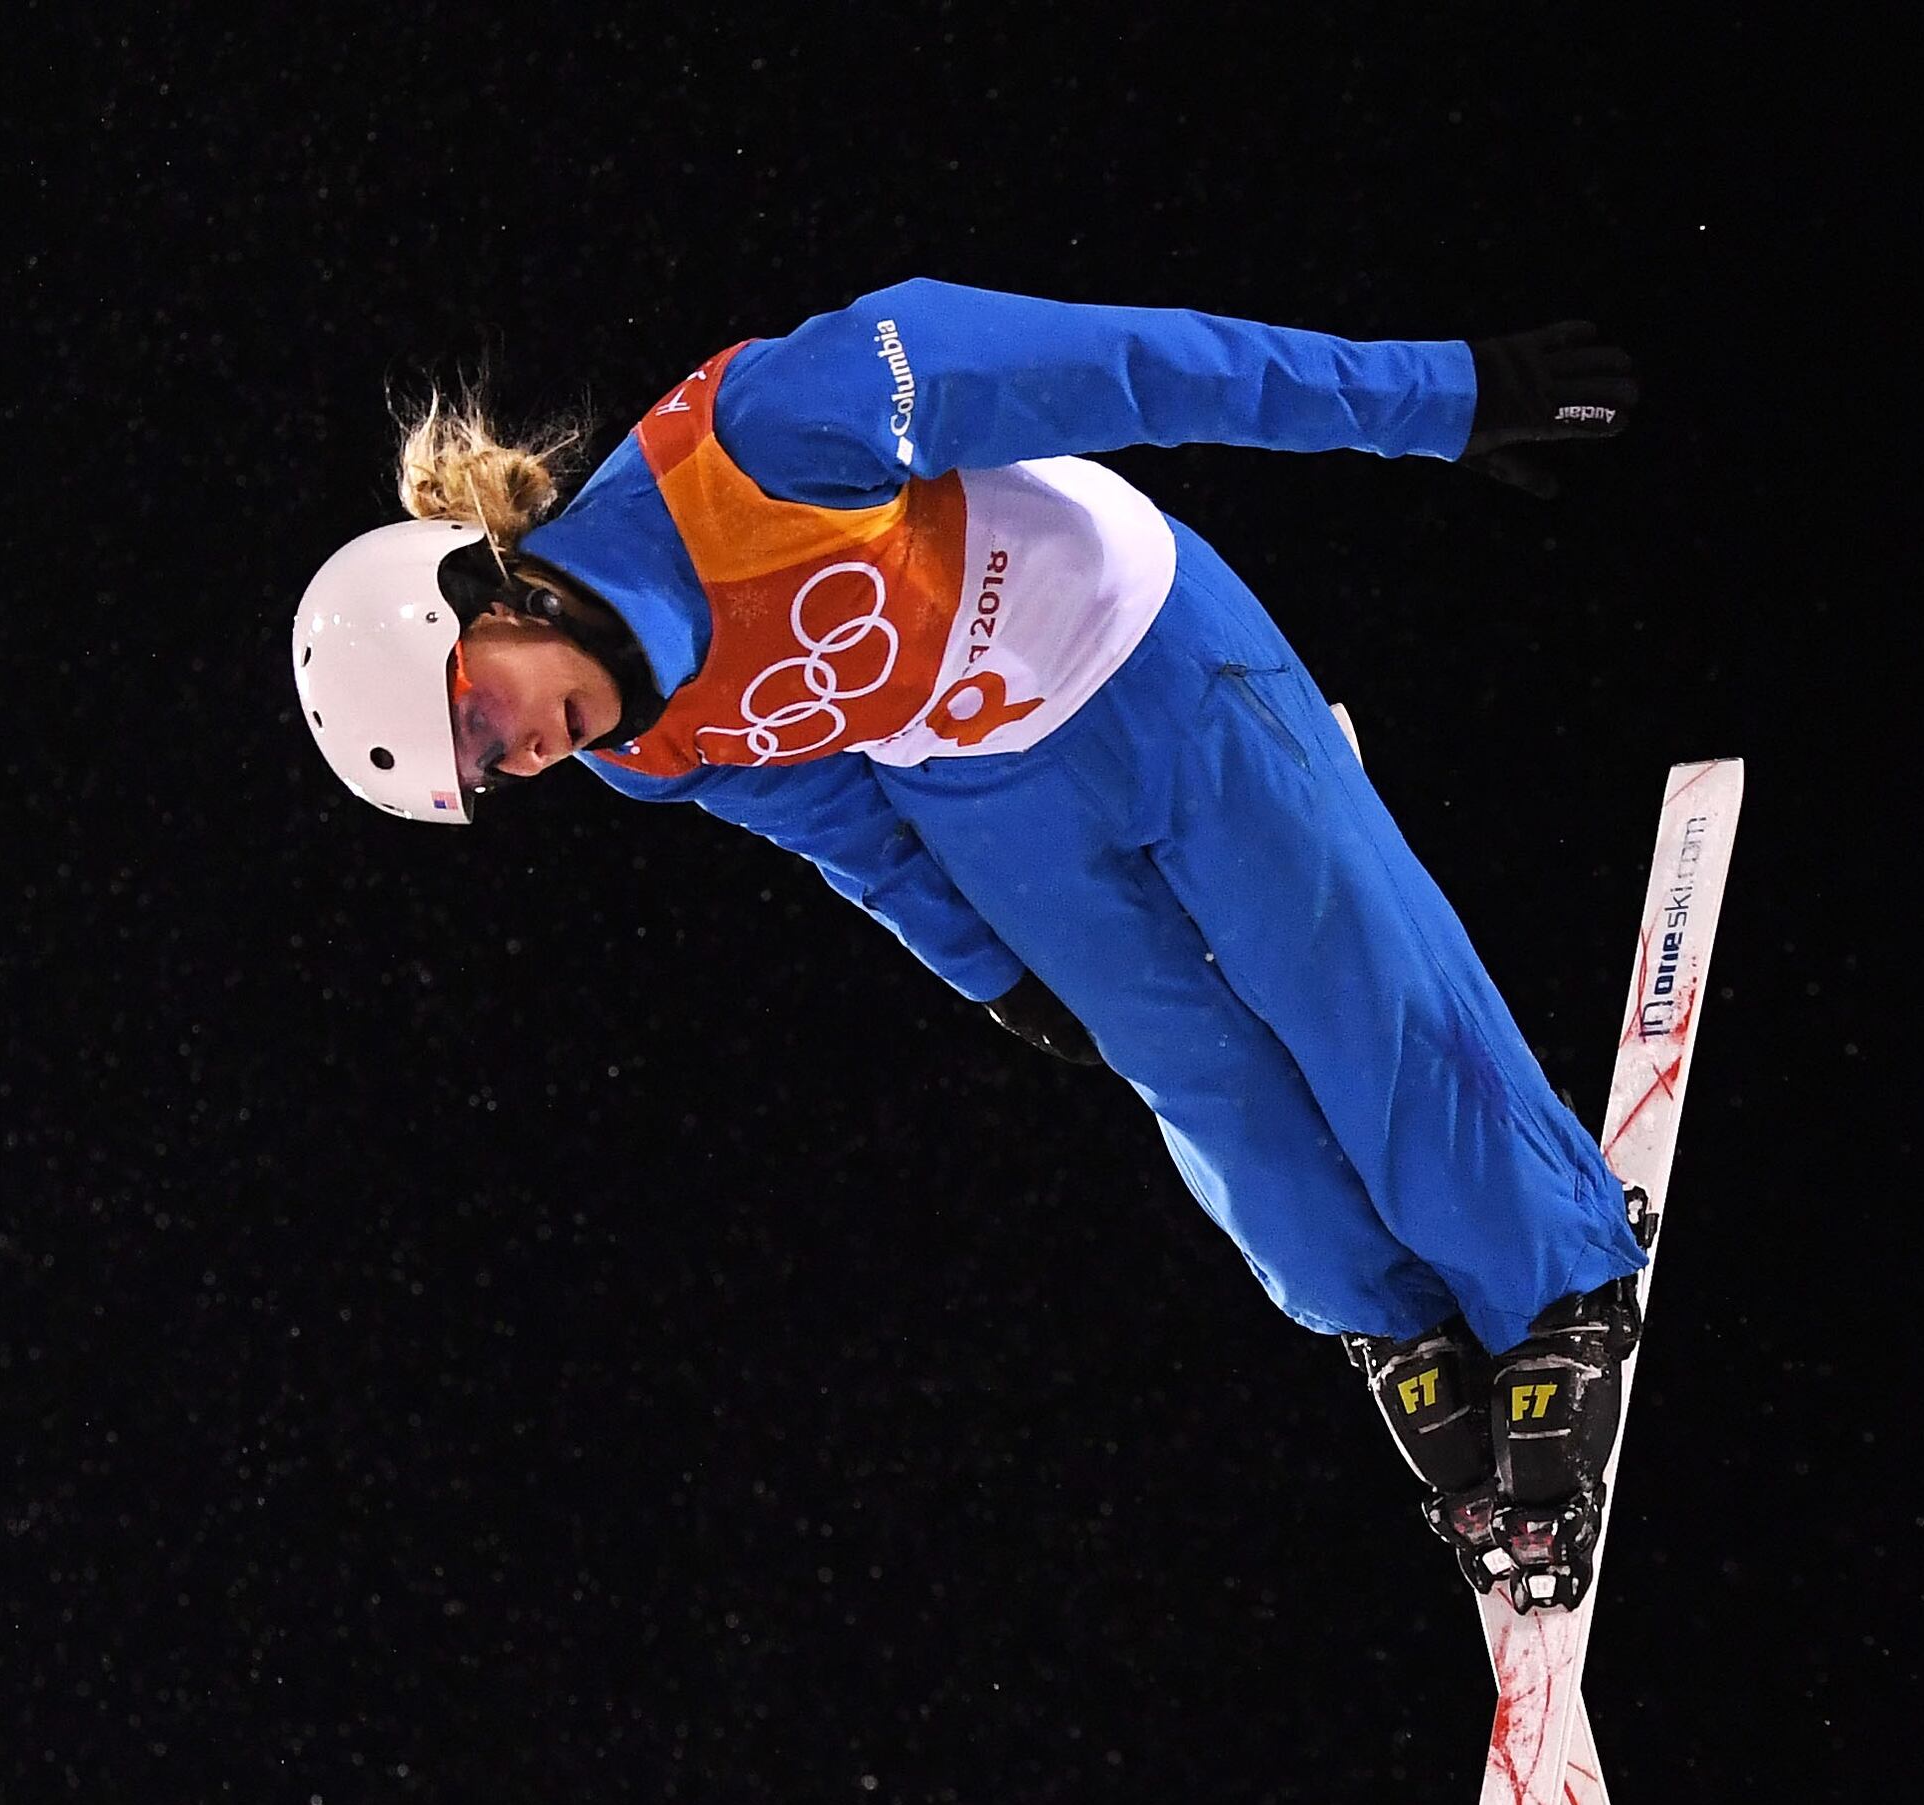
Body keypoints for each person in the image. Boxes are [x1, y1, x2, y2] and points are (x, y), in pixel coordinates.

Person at [290, 282, 1654, 1612]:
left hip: (1145, 652)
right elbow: (847, 828)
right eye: (489, 779)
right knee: (1199, 1082)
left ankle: (1550, 1279)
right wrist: (995, 975)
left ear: (482, 594)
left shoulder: (767, 433)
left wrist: (1443, 400)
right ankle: (1391, 1314)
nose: (520, 758)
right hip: (982, 789)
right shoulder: (642, 752)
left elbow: (1135, 364)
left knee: (1342, 979)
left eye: (477, 722)